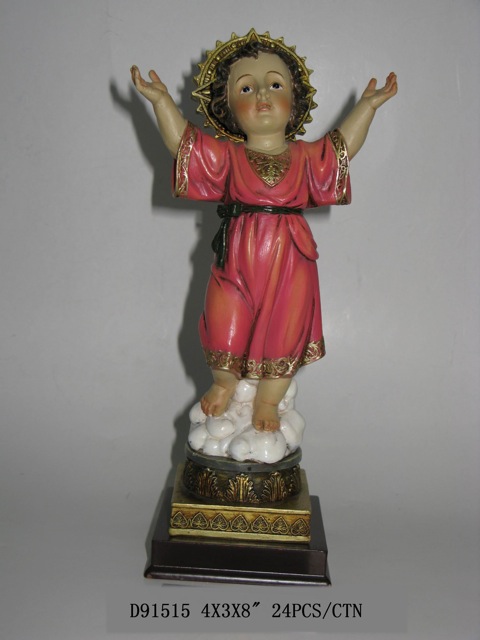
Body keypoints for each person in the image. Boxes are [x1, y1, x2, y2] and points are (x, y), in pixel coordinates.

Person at [131, 30, 397, 434]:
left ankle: (269, 400)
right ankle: (224, 382)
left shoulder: (305, 156)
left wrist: (367, 106)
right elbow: (185, 145)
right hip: (237, 256)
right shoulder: (228, 156)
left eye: (275, 85)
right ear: (226, 106)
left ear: (295, 100)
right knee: (224, 318)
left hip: (290, 258)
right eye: (246, 88)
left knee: (284, 327)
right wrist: (161, 102)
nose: (262, 95)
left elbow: (341, 148)